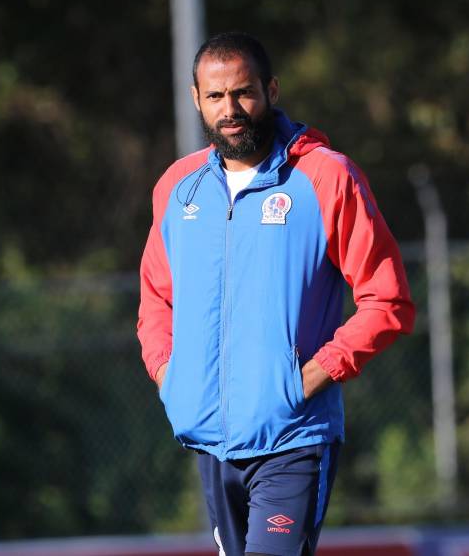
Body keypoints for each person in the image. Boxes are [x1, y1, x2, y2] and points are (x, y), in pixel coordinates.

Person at [137, 32, 415, 556]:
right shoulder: (178, 187)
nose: (231, 110)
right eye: (215, 97)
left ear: (271, 89)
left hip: (294, 437)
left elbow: (388, 301)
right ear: (195, 99)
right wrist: (169, 376)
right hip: (211, 444)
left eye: (244, 93)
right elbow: (156, 298)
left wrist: (310, 376)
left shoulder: (326, 176)